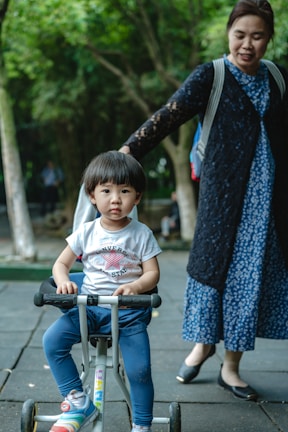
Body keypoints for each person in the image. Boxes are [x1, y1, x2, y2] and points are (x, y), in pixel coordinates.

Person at [117, 0, 288, 401]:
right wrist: (128, 151)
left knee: (248, 282)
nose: (247, 44)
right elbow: (168, 115)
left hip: (268, 206)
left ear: (269, 40)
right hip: (222, 201)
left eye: (257, 36)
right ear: (228, 33)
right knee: (210, 274)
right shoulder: (211, 76)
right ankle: (202, 344)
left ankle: (231, 367)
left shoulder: (279, 78)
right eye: (240, 34)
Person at [42, 151, 162, 432]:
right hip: (89, 310)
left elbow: (153, 273)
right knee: (52, 342)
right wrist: (63, 281)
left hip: (128, 314)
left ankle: (142, 424)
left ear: (138, 197)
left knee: (139, 370)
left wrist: (136, 286)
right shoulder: (86, 232)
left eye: (125, 191)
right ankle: (77, 399)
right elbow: (61, 263)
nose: (116, 199)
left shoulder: (141, 234)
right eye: (106, 190)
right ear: (92, 196)